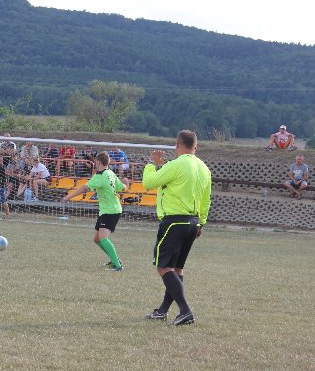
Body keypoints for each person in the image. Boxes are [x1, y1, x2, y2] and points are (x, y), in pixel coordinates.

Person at [141, 130, 211, 326]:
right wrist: (201, 222)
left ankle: (185, 311)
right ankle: (162, 311)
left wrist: (152, 164)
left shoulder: (176, 164)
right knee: (177, 268)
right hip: (193, 222)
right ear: (195, 146)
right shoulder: (204, 168)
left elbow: (149, 183)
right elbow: (206, 199)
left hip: (174, 221)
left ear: (178, 144)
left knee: (163, 267)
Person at [61, 152, 129, 271]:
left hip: (110, 210)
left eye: (95, 162)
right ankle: (114, 260)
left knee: (103, 238)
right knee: (97, 239)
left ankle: (117, 265)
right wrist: (126, 184)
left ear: (98, 162)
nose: (95, 164)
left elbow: (84, 188)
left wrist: (68, 197)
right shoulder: (111, 173)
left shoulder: (100, 176)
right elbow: (122, 188)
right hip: (108, 210)